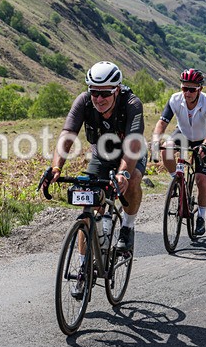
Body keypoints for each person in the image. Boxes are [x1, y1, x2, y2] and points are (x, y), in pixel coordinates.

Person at [38, 61, 146, 258]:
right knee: (88, 206)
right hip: (101, 155)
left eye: (105, 93)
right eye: (94, 92)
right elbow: (68, 134)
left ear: (117, 90)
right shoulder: (84, 101)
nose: (99, 98)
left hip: (131, 154)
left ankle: (127, 228)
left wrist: (123, 173)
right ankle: (82, 267)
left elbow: (133, 145)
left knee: (133, 179)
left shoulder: (131, 104)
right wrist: (56, 167)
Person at [151, 68, 206, 236]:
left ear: (200, 89)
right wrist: (154, 141)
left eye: (191, 89)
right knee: (166, 150)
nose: (187, 93)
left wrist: (205, 146)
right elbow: (162, 123)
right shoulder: (175, 99)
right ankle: (177, 181)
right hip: (182, 135)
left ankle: (201, 216)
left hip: (203, 139)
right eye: (184, 88)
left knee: (201, 179)